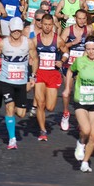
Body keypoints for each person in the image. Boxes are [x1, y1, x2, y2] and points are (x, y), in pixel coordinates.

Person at [0, 17, 38, 150]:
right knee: (9, 107)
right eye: (14, 30)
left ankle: (12, 113)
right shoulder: (3, 43)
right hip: (6, 80)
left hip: (21, 81)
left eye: (18, 31)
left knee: (21, 113)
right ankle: (12, 139)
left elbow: (35, 58)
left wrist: (33, 76)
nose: (16, 33)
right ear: (9, 29)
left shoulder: (28, 43)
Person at [64, 36, 94, 172]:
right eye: (88, 49)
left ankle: (85, 162)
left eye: (93, 49)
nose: (91, 52)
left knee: (93, 135)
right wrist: (68, 87)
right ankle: (80, 142)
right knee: (85, 130)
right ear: (85, 50)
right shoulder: (79, 62)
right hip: (81, 100)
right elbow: (69, 71)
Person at [34, 13, 66, 141]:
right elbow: (30, 53)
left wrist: (62, 61)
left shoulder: (57, 40)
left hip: (53, 74)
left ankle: (43, 124)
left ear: (53, 25)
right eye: (45, 24)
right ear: (41, 24)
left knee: (50, 107)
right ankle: (42, 130)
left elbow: (66, 52)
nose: (47, 27)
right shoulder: (35, 39)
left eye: (49, 25)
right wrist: (32, 61)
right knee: (40, 104)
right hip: (40, 73)